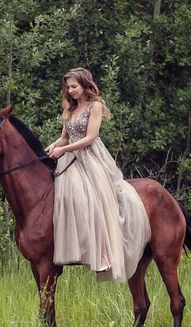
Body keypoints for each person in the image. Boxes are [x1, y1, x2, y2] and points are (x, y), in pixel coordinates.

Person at [45, 67, 151, 283]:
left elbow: (90, 137)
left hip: (90, 158)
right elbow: (65, 138)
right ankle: (72, 246)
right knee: (62, 196)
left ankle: (103, 251)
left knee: (94, 197)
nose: (71, 90)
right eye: (68, 87)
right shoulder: (70, 108)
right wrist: (51, 147)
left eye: (74, 86)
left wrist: (63, 150)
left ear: (85, 85)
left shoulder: (95, 106)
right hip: (69, 157)